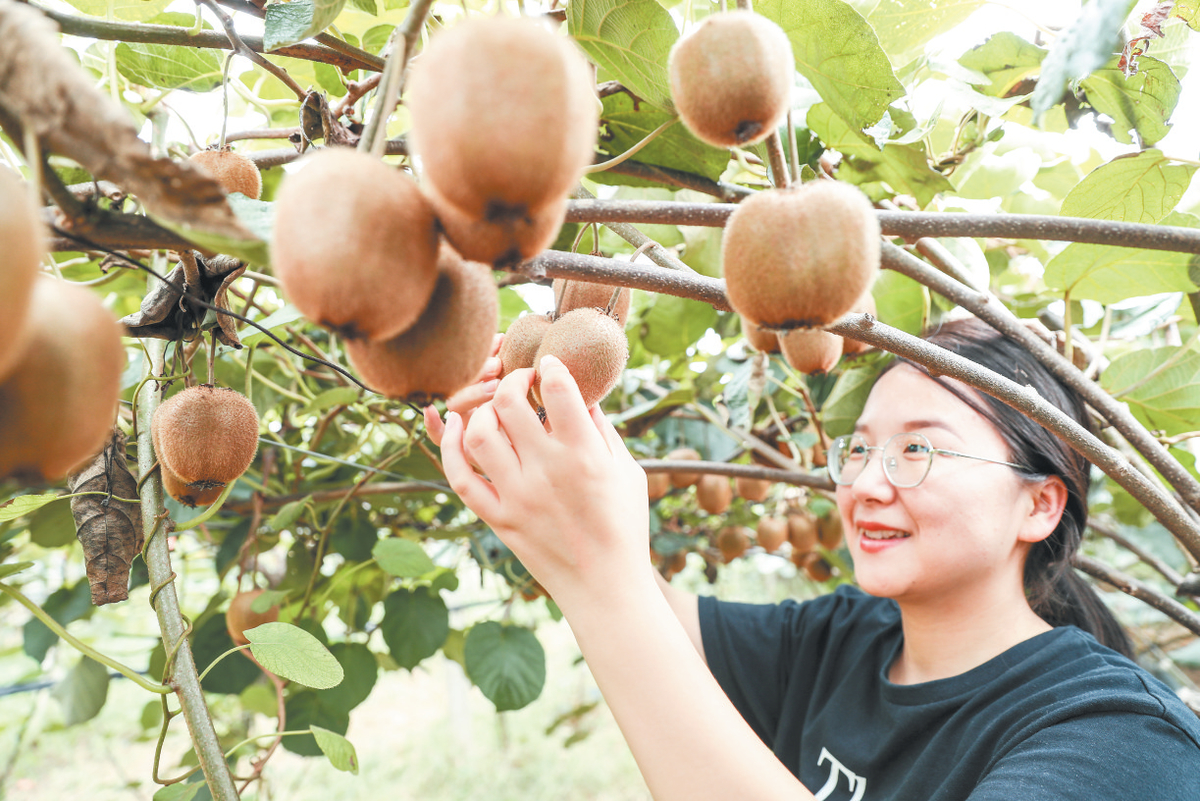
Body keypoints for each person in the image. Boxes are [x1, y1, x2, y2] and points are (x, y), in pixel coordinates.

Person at [424, 317, 1200, 800]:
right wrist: (558, 455)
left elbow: (614, 588)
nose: (863, 482)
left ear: (1041, 503)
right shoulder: (845, 640)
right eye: (857, 448)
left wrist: (595, 568)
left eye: (917, 449)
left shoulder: (1124, 741)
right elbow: (648, 617)